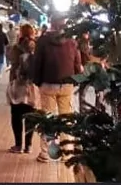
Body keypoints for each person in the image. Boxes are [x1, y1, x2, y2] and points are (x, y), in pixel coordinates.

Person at [30, 15, 84, 162]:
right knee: (66, 118)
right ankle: (67, 153)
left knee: (48, 118)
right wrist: (76, 80)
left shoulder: (43, 41)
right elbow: (77, 63)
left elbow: (37, 62)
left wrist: (37, 81)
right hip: (67, 85)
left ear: (51, 24)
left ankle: (45, 154)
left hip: (47, 84)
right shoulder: (72, 42)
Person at [6, 24, 38, 154]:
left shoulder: (16, 48)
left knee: (16, 115)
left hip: (18, 84)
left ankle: (18, 145)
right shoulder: (36, 47)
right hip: (32, 85)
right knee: (30, 115)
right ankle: (28, 146)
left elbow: (12, 61)